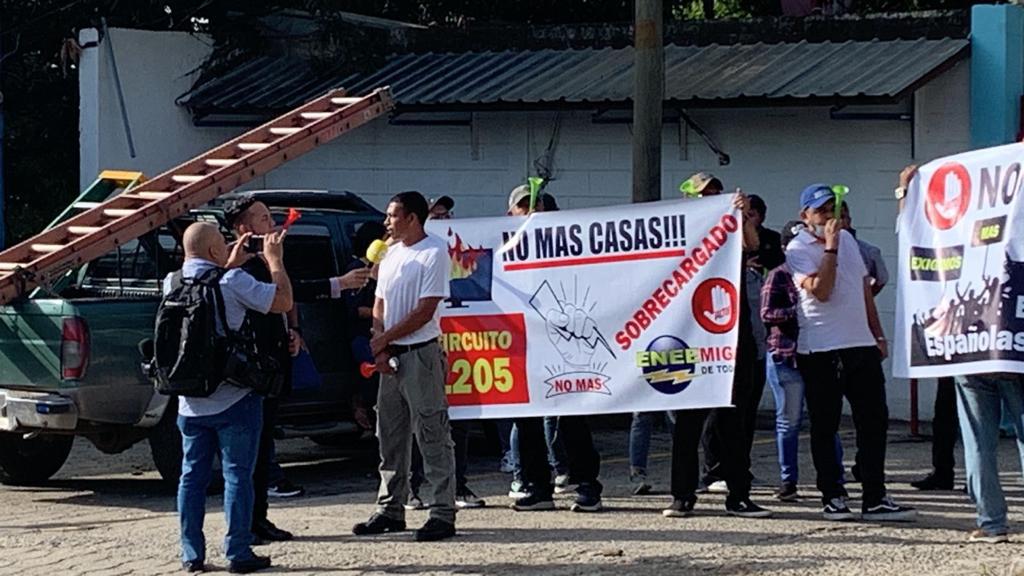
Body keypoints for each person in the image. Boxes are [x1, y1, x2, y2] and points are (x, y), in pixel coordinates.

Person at [224, 197, 371, 544]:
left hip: (271, 365)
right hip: (252, 370)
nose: (273, 226)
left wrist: (292, 330)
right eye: (263, 219)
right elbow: (284, 294)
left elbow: (285, 298)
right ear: (245, 229)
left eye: (272, 218)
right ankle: (249, 526)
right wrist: (338, 284)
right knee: (252, 454)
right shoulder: (243, 266)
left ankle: (258, 520)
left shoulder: (265, 260)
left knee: (262, 448)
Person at [786, 183, 915, 521]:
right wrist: (830, 247)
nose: (833, 217)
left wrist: (878, 334)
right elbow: (821, 291)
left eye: (838, 210)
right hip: (822, 349)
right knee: (825, 425)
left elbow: (863, 290)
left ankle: (874, 496)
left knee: (874, 423)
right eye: (824, 211)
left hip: (860, 345)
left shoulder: (853, 244)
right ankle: (832, 495)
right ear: (806, 216)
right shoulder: (798, 248)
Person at [171, 222, 291, 574]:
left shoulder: (171, 281)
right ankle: (238, 551)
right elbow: (282, 301)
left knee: (191, 476)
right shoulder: (233, 282)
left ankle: (191, 554)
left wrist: (227, 264)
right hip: (233, 396)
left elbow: (206, 287)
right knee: (238, 474)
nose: (228, 246)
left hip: (189, 399)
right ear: (212, 252)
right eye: (222, 244)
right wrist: (275, 261)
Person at [664, 174, 772, 519]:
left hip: (728, 339)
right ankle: (682, 495)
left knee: (734, 423)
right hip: (686, 338)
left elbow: (752, 245)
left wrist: (740, 215)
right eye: (702, 195)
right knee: (687, 424)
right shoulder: (675, 232)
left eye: (714, 193)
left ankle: (739, 495)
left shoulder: (729, 230)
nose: (709, 199)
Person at [352, 191, 457, 542]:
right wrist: (380, 342)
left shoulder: (434, 251)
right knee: (390, 433)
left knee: (431, 431)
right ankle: (390, 507)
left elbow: (425, 310)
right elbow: (379, 302)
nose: (387, 223)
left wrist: (386, 339)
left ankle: (442, 510)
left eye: (393, 216)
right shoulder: (392, 253)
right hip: (391, 356)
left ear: (413, 218)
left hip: (420, 354)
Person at [505, 184, 604, 513]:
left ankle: (587, 485)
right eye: (525, 208)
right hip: (523, 344)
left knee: (573, 417)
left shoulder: (569, 246)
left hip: (565, 342)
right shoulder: (502, 246)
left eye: (541, 209)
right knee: (527, 420)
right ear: (510, 215)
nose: (534, 214)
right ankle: (538, 486)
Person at [407, 198, 486, 510]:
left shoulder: (459, 247)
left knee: (459, 422)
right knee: (417, 421)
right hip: (424, 347)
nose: (442, 218)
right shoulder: (409, 252)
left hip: (464, 349)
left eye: (446, 213)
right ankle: (412, 488)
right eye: (435, 214)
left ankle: (458, 486)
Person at [762, 220, 845, 502]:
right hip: (787, 356)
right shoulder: (779, 275)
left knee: (826, 421)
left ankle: (836, 479)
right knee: (789, 421)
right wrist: (798, 310)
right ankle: (789, 482)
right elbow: (768, 314)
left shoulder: (827, 270)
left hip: (819, 353)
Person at [838, 202, 889, 295]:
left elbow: (881, 280)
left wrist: (865, 300)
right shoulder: (814, 248)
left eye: (842, 217)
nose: (838, 222)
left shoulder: (869, 252)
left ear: (849, 220)